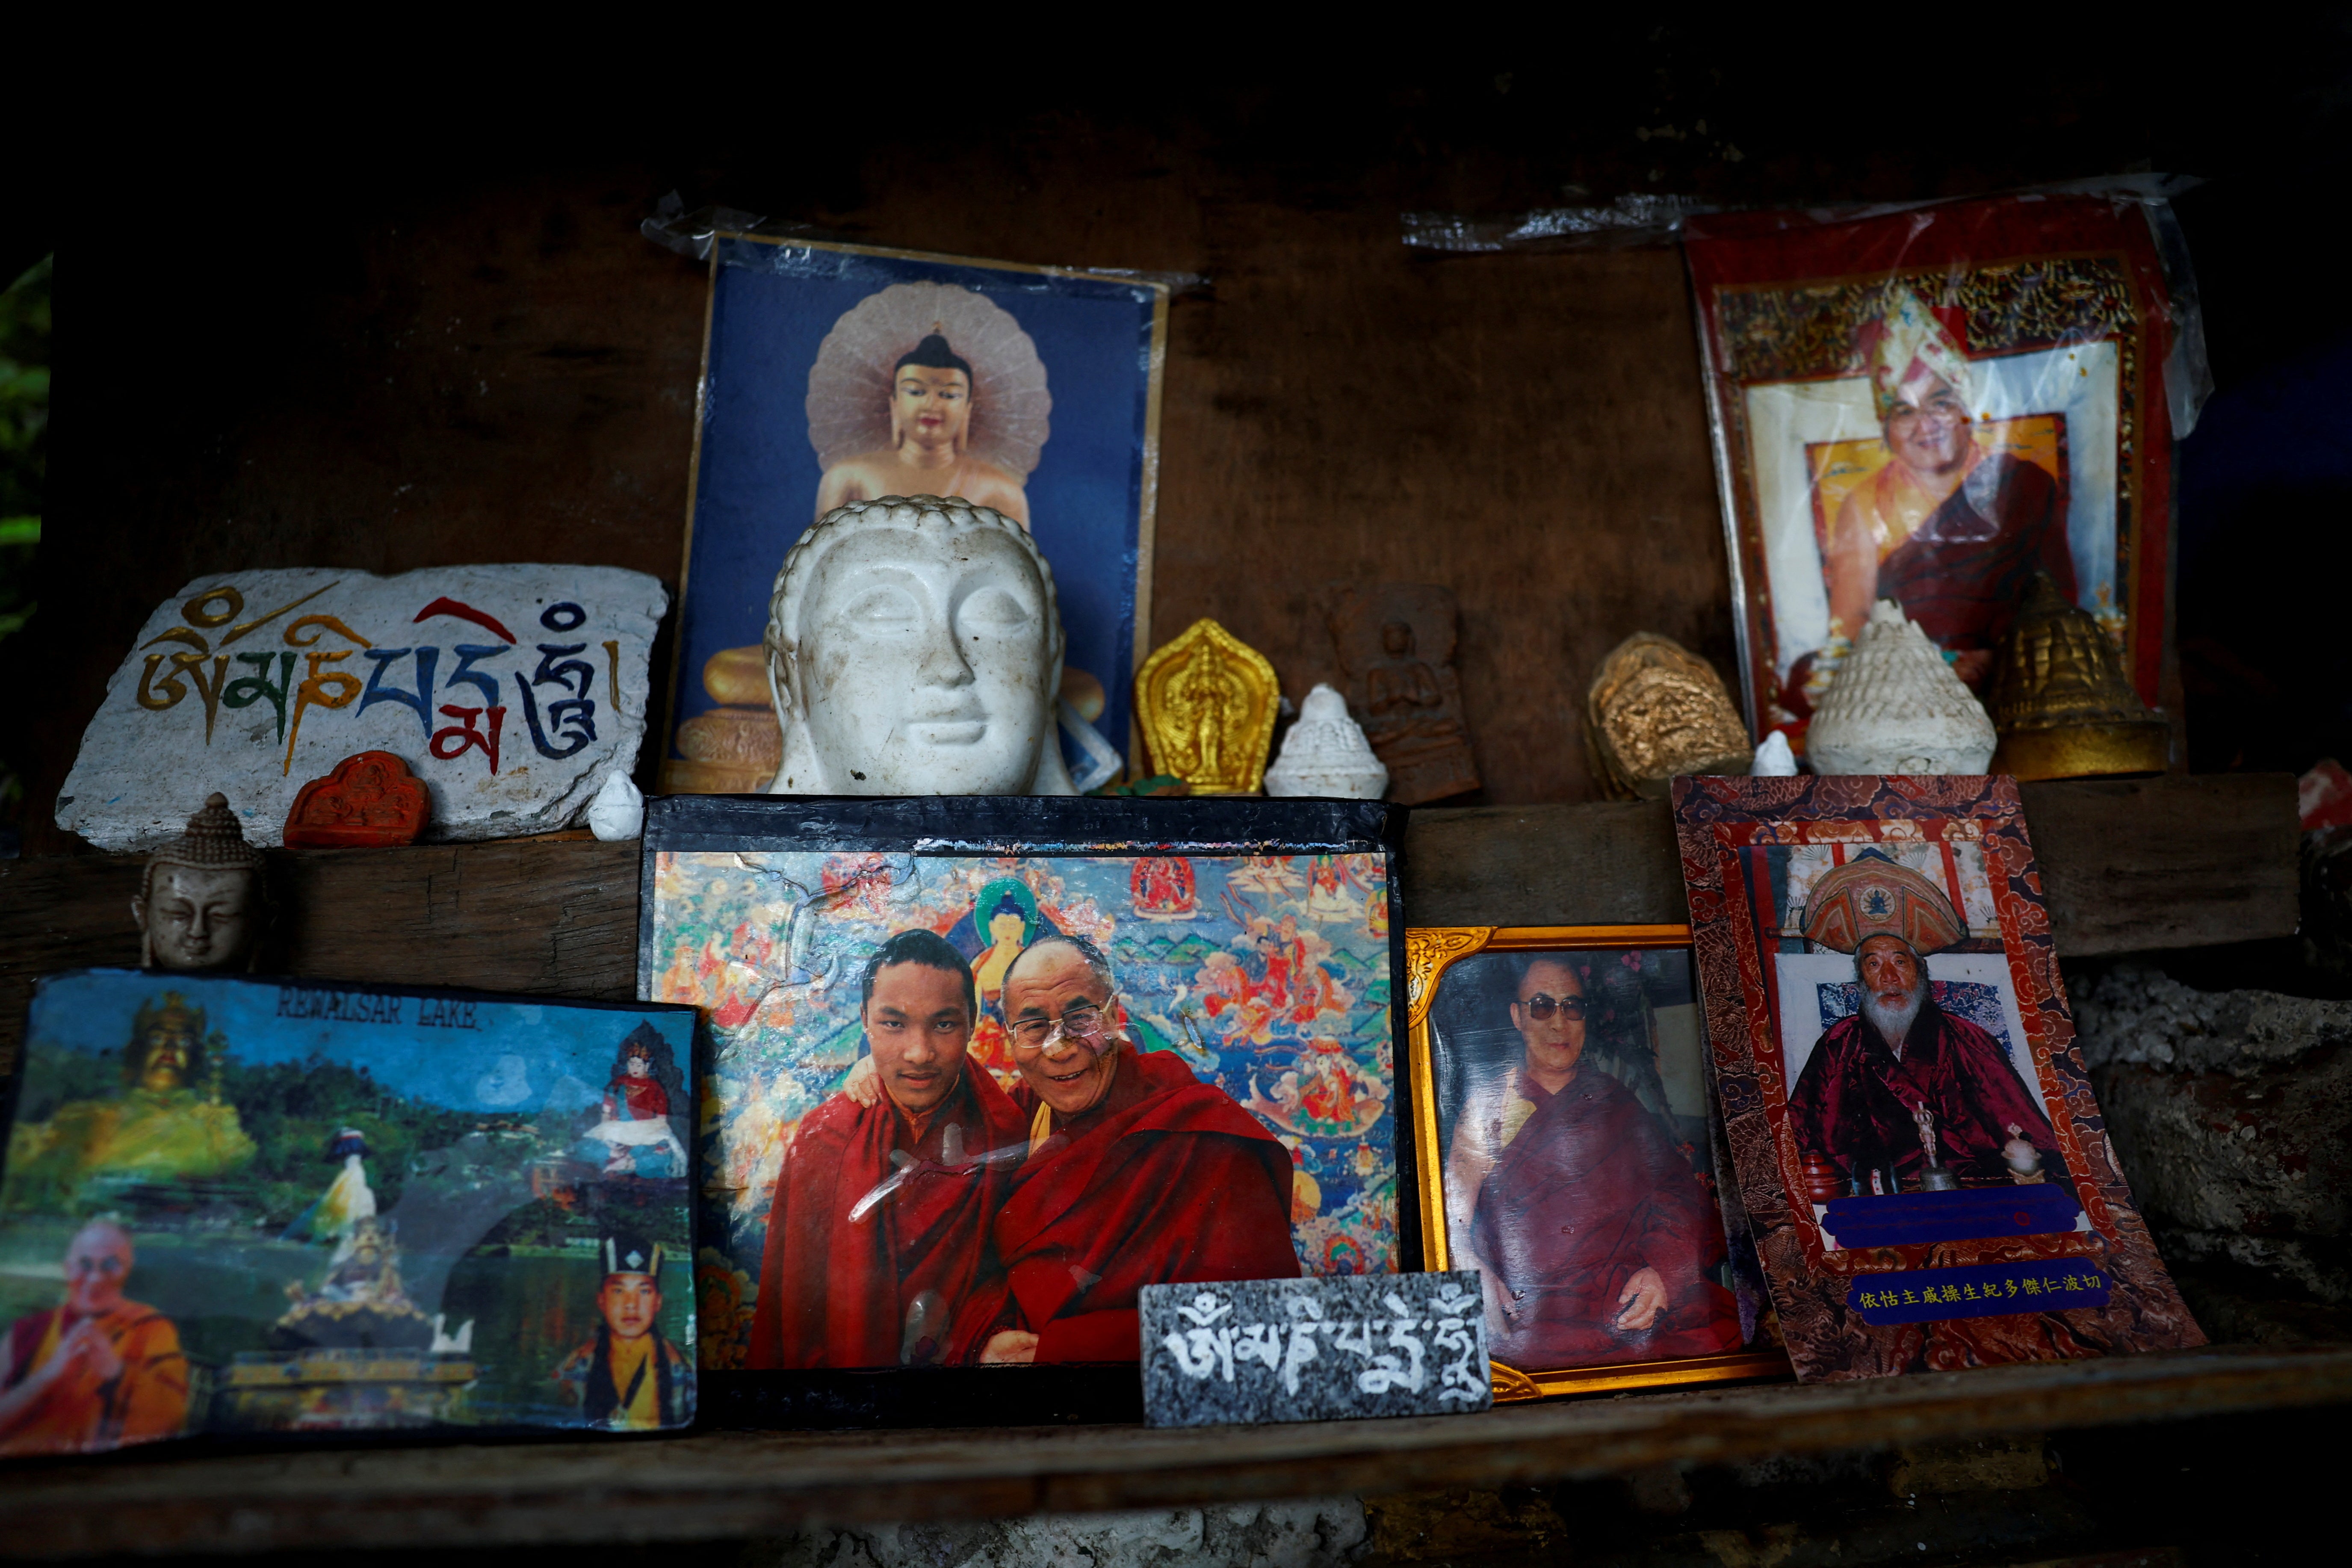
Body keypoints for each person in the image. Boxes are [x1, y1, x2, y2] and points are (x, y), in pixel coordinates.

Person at [947, 933, 1300, 1365]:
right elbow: (958, 1258)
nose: (1059, 1048)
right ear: (1010, 1039)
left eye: (1081, 1017)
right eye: (1034, 1025)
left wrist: (1062, 1352)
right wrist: (992, 1333)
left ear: (1114, 1016)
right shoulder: (1020, 1117)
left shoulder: (1203, 1136)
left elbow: (1258, 1322)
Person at [750, 930, 1028, 1369]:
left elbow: (1013, 1277)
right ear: (865, 1019)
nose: (919, 1053)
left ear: (973, 1024)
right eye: (893, 1024)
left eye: (944, 1024)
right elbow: (797, 1318)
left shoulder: (1004, 1129)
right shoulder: (827, 1138)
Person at [1446, 957, 1739, 1368]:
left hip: (1624, 1299)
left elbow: (1678, 1193)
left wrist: (1664, 1271)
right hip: (1530, 1307)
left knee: (1719, 1342)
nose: (1559, 1023)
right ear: (1518, 1016)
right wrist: (1477, 1271)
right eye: (1543, 1006)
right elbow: (1451, 1213)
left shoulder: (1614, 1100)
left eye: (1572, 1007)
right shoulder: (1491, 1105)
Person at [1821, 286, 2076, 688]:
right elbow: (1852, 623)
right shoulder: (1865, 504)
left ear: (1967, 411)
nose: (1926, 425)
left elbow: (2058, 599)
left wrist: (1998, 655)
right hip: (1912, 683)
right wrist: (1935, 665)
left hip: (2020, 671)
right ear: (1885, 429)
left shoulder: (2020, 485)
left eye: (1940, 403)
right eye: (1904, 411)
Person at [1785, 853, 2067, 1193]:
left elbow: (2013, 1119)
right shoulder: (1839, 1041)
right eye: (1874, 965)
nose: (1890, 977)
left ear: (1920, 973)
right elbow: (1799, 1126)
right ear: (1861, 981)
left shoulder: (1965, 1037)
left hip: (1963, 1186)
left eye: (1900, 961)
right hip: (1871, 1189)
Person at [0, 1221, 189, 1456]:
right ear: (67, 1268)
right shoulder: (28, 1331)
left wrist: (117, 1374)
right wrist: (49, 1375)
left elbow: (174, 1418)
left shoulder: (151, 1329)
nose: (96, 1278)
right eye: (85, 1264)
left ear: (127, 1270)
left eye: (111, 1265)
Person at [814, 333, 1030, 525]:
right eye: (916, 391)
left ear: (967, 409)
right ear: (895, 403)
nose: (931, 406)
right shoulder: (849, 477)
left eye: (949, 395)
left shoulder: (1001, 491)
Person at [554, 1234, 689, 1430]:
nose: (631, 1305)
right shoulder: (575, 1369)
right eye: (619, 1291)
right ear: (601, 1300)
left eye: (644, 1292)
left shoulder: (679, 1370)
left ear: (658, 1301)